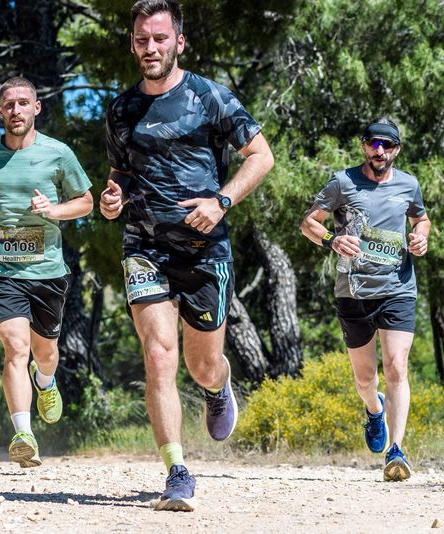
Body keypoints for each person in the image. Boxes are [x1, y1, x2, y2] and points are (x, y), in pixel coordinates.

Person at [100, 0, 274, 512]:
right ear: (132, 44)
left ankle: (218, 387)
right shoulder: (121, 109)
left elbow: (261, 156)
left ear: (178, 41)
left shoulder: (209, 96)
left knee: (202, 366)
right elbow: (119, 175)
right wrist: (112, 197)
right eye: (141, 39)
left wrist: (222, 201)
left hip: (204, 249)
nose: (150, 48)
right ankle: (176, 470)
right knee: (158, 355)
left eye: (159, 38)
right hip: (144, 246)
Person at [0, 76, 93, 468]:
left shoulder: (58, 154)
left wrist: (54, 211)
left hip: (47, 270)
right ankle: (24, 434)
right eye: (9, 104)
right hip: (0, 268)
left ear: (36, 107)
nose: (16, 110)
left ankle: (46, 381)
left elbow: (86, 201)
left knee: (46, 353)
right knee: (16, 347)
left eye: (24, 102)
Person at [300, 117, 430, 482]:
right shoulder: (343, 182)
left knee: (397, 367)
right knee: (365, 377)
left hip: (398, 288)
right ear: (364, 147)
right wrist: (332, 240)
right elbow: (309, 223)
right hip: (353, 291)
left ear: (396, 150)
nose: (379, 150)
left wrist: (421, 236)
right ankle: (374, 410)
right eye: (374, 143)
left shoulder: (408, 184)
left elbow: (421, 219)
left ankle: (396, 450)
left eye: (387, 145)